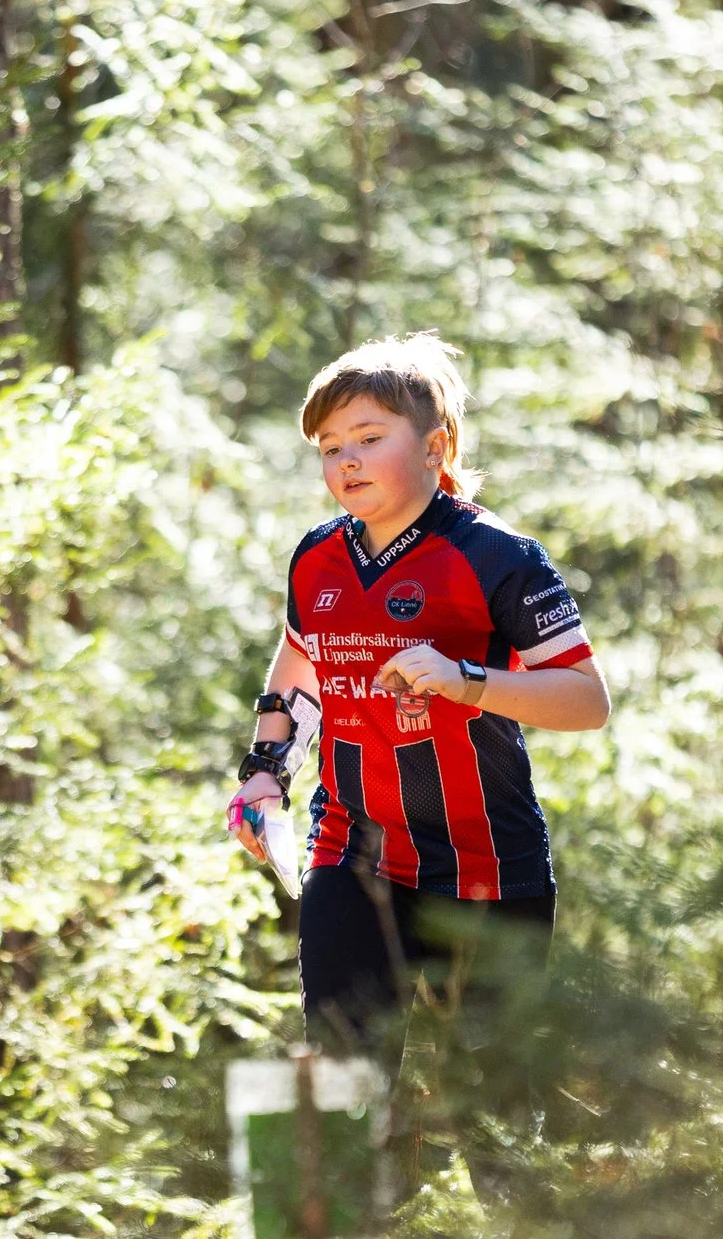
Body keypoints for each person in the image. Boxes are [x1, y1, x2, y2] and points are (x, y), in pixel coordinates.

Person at [227, 332, 611, 1058]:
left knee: (491, 1115)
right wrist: (265, 775)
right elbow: (299, 669)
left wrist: (466, 679)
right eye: (330, 445)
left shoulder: (499, 557)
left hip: (487, 863)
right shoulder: (316, 557)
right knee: (346, 1081)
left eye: (369, 437)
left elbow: (588, 700)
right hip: (351, 849)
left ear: (436, 447)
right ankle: (365, 1170)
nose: (346, 459)